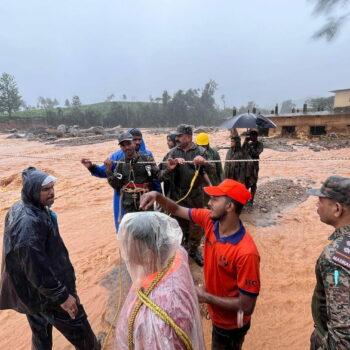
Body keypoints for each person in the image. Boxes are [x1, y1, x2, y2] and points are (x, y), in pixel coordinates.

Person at [140, 178, 261, 350]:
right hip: (216, 313)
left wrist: (205, 297)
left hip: (230, 326)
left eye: (215, 199)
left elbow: (247, 306)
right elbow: (176, 209)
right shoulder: (210, 222)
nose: (209, 202)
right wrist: (157, 195)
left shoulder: (246, 253)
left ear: (229, 207)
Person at [0, 167, 100, 350]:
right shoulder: (28, 223)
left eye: (52, 187)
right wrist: (62, 297)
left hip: (30, 294)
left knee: (41, 336)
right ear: (32, 191)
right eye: (45, 189)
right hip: (49, 295)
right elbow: (36, 267)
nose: (52, 192)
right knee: (83, 335)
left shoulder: (24, 207)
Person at [115, 211, 205, 350]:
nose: (124, 250)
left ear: (147, 256)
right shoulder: (176, 254)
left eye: (129, 245)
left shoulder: (155, 319)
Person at [81, 128, 161, 231]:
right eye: (134, 139)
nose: (137, 142)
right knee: (126, 228)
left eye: (139, 139)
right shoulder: (118, 156)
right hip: (124, 198)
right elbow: (104, 171)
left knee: (148, 229)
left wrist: (159, 195)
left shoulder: (147, 156)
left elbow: (154, 178)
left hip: (145, 197)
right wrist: (91, 167)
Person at [159, 124, 215, 267]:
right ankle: (182, 249)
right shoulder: (171, 153)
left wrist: (204, 163)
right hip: (177, 196)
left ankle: (194, 250)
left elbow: (213, 170)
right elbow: (159, 176)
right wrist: (169, 168)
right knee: (178, 224)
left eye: (180, 136)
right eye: (176, 136)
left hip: (196, 196)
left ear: (189, 137)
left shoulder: (202, 151)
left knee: (196, 225)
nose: (176, 138)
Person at [307, 176, 350, 350]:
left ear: (337, 209)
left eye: (320, 201)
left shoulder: (335, 257)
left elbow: (343, 333)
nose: (317, 206)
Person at [105, 132, 159, 219]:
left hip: (145, 202)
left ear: (134, 143)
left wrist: (169, 168)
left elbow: (159, 176)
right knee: (133, 231)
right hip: (128, 205)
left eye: (129, 144)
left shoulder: (146, 159)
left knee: (148, 228)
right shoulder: (120, 164)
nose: (126, 147)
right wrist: (108, 171)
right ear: (120, 147)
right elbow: (116, 185)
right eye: (123, 145)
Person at [243, 130, 263, 204]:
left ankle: (251, 200)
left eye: (253, 136)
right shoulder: (249, 143)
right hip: (247, 166)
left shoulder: (260, 144)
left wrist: (249, 146)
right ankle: (245, 198)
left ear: (256, 136)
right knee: (246, 182)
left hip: (255, 166)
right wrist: (245, 143)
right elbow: (242, 152)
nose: (251, 137)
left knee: (254, 183)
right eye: (250, 136)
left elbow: (256, 153)